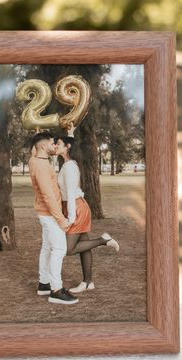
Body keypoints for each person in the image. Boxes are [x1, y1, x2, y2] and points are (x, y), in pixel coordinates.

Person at [55, 135, 120, 293]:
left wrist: (70, 218)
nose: (55, 145)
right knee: (84, 247)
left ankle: (103, 240)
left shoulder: (70, 166)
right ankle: (88, 282)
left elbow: (70, 194)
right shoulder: (67, 164)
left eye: (58, 143)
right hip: (73, 206)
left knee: (68, 249)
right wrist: (71, 130)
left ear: (68, 146)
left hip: (76, 208)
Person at [28, 131, 79, 305]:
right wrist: (61, 220)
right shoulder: (40, 166)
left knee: (47, 248)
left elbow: (34, 151)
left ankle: (44, 284)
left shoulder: (36, 159)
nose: (54, 146)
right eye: (52, 143)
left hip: (45, 212)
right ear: (43, 146)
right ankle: (56, 290)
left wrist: (37, 140)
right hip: (49, 213)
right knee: (59, 249)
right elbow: (48, 196)